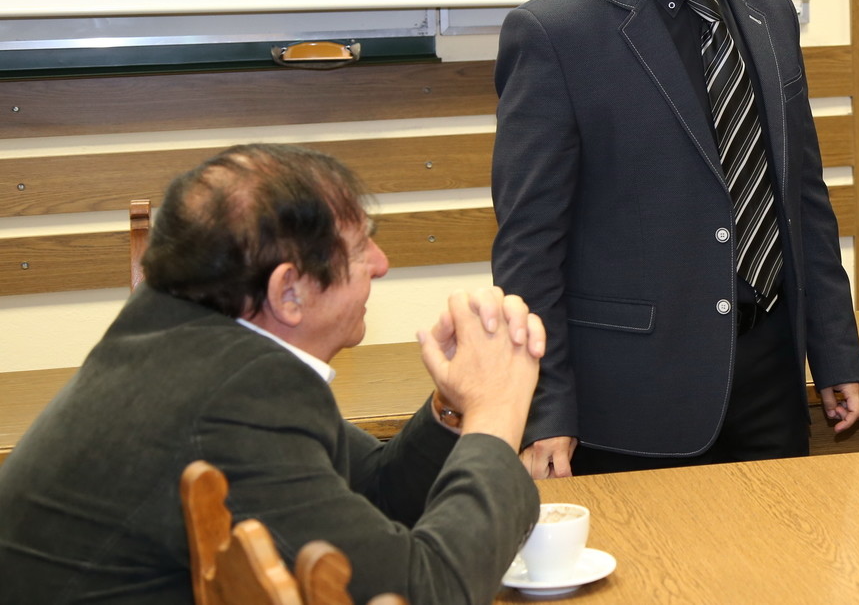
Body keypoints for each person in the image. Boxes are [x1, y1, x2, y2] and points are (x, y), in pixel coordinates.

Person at [492, 0, 859, 477]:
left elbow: (802, 200)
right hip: (635, 399)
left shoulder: (770, 11)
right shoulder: (557, 33)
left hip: (771, 379)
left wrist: (835, 350)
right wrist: (545, 406)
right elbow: (530, 250)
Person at [0, 144, 542, 605]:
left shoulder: (184, 342)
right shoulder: (229, 402)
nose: (381, 264)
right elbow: (423, 594)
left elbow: (372, 493)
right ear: (288, 292)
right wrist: (497, 413)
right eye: (361, 248)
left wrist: (454, 407)